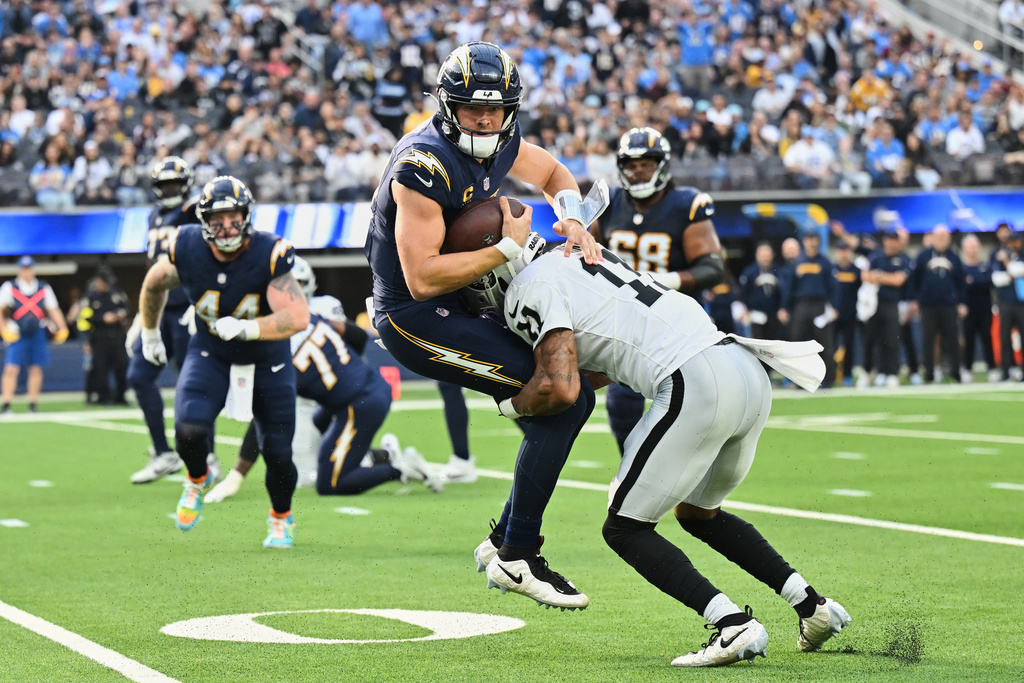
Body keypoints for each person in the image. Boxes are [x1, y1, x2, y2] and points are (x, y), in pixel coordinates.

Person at [483, 241, 849, 667]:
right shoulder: (579, 255)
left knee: (624, 528)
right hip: (744, 366)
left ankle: (731, 624)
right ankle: (813, 607)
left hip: (693, 379)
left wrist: (513, 404)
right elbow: (606, 357)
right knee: (698, 514)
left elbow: (559, 383)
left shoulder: (525, 288)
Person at [364, 41, 602, 610]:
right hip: (414, 317)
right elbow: (421, 278)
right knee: (564, 397)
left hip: (469, 296)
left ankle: (508, 545)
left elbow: (551, 170)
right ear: (447, 105)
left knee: (580, 382)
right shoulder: (422, 163)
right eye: (473, 108)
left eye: (496, 109)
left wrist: (569, 214)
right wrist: (505, 251)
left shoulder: (501, 137)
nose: (486, 118)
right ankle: (517, 553)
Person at [138, 176, 309, 547]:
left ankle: (281, 517)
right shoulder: (185, 246)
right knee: (188, 430)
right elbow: (153, 283)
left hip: (267, 357)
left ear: (247, 215)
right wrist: (149, 333)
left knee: (278, 453)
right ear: (203, 222)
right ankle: (197, 478)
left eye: (233, 217)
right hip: (211, 350)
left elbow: (297, 316)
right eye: (216, 220)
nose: (226, 227)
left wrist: (249, 328)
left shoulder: (269, 251)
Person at [205, 257, 443, 502]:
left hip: (359, 402)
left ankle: (401, 468)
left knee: (330, 483)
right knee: (321, 432)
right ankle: (378, 456)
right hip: (353, 394)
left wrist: (235, 477)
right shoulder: (307, 318)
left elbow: (262, 420)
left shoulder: (281, 350)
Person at [591, 126, 724, 455]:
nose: (638, 172)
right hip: (626, 321)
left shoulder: (686, 203)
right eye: (631, 165)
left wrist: (661, 281)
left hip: (677, 321)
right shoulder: (607, 202)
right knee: (622, 404)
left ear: (662, 166)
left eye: (646, 164)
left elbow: (712, 268)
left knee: (690, 405)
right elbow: (584, 251)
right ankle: (633, 472)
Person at [126, 156, 221, 485]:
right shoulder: (154, 216)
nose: (170, 190)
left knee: (193, 383)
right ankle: (163, 453)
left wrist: (203, 299)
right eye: (164, 185)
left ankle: (207, 455)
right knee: (139, 376)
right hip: (160, 308)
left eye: (174, 184)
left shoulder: (195, 210)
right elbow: (153, 268)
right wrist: (143, 314)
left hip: (188, 307)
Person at [0, 256, 69, 414]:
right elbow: (1, 310)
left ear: (33, 270)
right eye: (24, 269)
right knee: (11, 368)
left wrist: (63, 327)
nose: (27, 272)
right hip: (17, 332)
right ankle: (6, 404)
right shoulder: (9, 287)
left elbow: (53, 309)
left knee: (36, 368)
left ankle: (32, 403)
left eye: (29, 269)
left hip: (37, 332)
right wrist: (3, 329)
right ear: (19, 270)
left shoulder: (43, 287)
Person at [778, 230, 838, 388]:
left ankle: (829, 380)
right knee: (798, 343)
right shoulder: (798, 262)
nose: (811, 242)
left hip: (819, 305)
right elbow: (789, 288)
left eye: (814, 239)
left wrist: (834, 307)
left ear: (818, 241)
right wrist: (784, 307)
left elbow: (832, 287)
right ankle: (799, 381)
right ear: (804, 242)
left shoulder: (825, 262)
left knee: (825, 342)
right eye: (808, 239)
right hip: (801, 305)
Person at [909, 225, 966, 383]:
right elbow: (914, 280)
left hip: (949, 305)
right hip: (928, 306)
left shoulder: (954, 257)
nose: (941, 240)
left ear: (949, 239)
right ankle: (929, 374)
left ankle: (956, 373)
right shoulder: (923, 256)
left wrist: (962, 303)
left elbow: (961, 282)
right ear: (932, 238)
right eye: (938, 237)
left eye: (944, 237)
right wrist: (915, 300)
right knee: (928, 339)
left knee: (952, 339)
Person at [861, 229, 911, 387]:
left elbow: (898, 280)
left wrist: (879, 276)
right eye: (888, 239)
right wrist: (885, 277)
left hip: (891, 303)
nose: (890, 243)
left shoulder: (903, 259)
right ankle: (870, 372)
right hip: (873, 305)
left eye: (893, 240)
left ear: (898, 242)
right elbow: (865, 276)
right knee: (871, 340)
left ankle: (891, 373)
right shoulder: (876, 256)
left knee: (892, 340)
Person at [82, 268, 130, 405]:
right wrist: (102, 319)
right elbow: (85, 317)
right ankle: (103, 397)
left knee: (122, 365)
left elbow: (127, 309)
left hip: (117, 335)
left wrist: (119, 315)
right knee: (100, 368)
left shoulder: (117, 293)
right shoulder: (91, 297)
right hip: (99, 337)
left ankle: (121, 396)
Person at [959, 234, 997, 382]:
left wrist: (973, 282)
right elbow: (961, 288)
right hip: (968, 310)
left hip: (985, 309)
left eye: (975, 246)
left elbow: (987, 283)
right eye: (970, 247)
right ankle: (967, 369)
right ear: (964, 249)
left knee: (987, 340)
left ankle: (992, 369)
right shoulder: (962, 268)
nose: (973, 250)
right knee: (968, 340)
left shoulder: (985, 266)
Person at [990, 231, 1024, 381]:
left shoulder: (1012, 257)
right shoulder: (999, 255)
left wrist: (1008, 264)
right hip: (1006, 303)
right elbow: (996, 279)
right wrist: (1011, 275)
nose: (1014, 244)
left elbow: (1019, 270)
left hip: (1021, 303)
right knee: (1004, 337)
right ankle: (1006, 370)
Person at [739, 242, 784, 341]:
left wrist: (782, 307)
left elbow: (784, 292)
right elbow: (743, 292)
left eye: (767, 255)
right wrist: (745, 308)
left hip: (774, 313)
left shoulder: (779, 270)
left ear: (772, 255)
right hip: (756, 313)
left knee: (773, 341)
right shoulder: (749, 272)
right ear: (757, 255)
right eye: (762, 255)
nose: (765, 258)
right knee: (758, 341)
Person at [831, 241, 862, 386]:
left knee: (849, 346)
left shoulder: (856, 270)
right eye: (841, 251)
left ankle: (847, 375)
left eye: (846, 251)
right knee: (830, 345)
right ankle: (829, 375)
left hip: (850, 314)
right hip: (833, 315)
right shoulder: (832, 269)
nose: (843, 254)